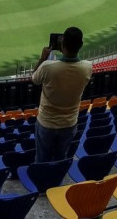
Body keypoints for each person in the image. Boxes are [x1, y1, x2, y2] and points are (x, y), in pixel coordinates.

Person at [31, 26, 92, 162]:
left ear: (62, 44)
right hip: (69, 123)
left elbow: (34, 78)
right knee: (60, 158)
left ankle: (43, 182)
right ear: (81, 45)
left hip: (47, 123)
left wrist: (42, 58)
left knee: (42, 159)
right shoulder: (87, 68)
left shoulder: (48, 67)